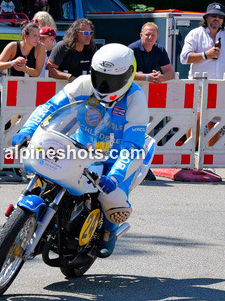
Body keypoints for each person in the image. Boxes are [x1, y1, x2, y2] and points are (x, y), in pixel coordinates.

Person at [10, 43, 155, 258]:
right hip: (81, 147)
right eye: (100, 77)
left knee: (113, 200)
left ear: (128, 76)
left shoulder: (136, 98)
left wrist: (114, 176)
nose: (104, 86)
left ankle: (109, 231)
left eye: (112, 80)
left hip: (114, 158)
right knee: (45, 168)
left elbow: (133, 145)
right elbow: (50, 107)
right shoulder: (83, 83)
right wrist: (29, 129)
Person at [181, 2, 225, 82]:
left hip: (221, 85)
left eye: (220, 16)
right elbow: (184, 58)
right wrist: (205, 55)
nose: (217, 18)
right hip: (199, 85)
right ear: (206, 17)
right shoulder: (195, 33)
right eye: (214, 15)